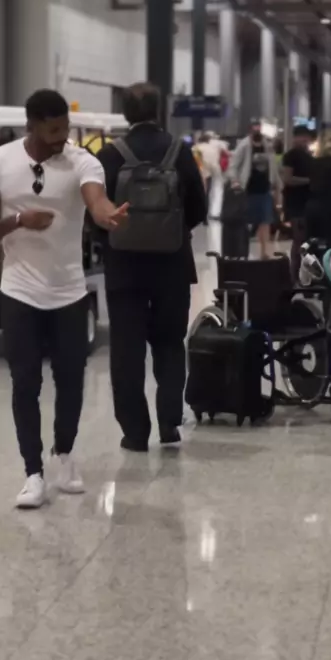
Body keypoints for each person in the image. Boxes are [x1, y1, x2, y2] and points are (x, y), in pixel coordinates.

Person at [0, 89, 128, 509]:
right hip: (19, 290)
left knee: (71, 380)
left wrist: (105, 213)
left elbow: (95, 198)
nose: (61, 138)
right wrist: (19, 220)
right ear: (32, 125)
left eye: (65, 129)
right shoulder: (1, 161)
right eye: (53, 130)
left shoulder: (82, 161)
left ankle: (64, 453)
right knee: (25, 382)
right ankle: (32, 473)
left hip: (69, 291)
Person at [96, 82, 207, 452]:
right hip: (171, 266)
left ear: (125, 113)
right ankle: (169, 423)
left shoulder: (110, 155)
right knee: (170, 344)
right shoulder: (180, 152)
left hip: (124, 268)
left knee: (126, 351)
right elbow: (199, 208)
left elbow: (95, 212)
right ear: (160, 111)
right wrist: (170, 230)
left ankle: (134, 432)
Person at [229, 120, 281, 259]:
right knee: (246, 222)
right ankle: (243, 251)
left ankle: (264, 252)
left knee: (265, 221)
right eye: (255, 128)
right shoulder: (244, 145)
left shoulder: (267, 146)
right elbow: (233, 165)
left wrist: (277, 185)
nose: (257, 131)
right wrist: (235, 180)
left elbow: (273, 167)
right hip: (247, 190)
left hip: (264, 189)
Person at [282, 125, 314, 282]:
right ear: (295, 138)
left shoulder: (309, 156)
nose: (305, 140)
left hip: (307, 202)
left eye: (307, 137)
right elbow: (287, 179)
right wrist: (309, 181)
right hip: (295, 203)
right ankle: (293, 276)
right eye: (302, 137)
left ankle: (304, 275)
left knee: (306, 241)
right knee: (299, 239)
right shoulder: (291, 156)